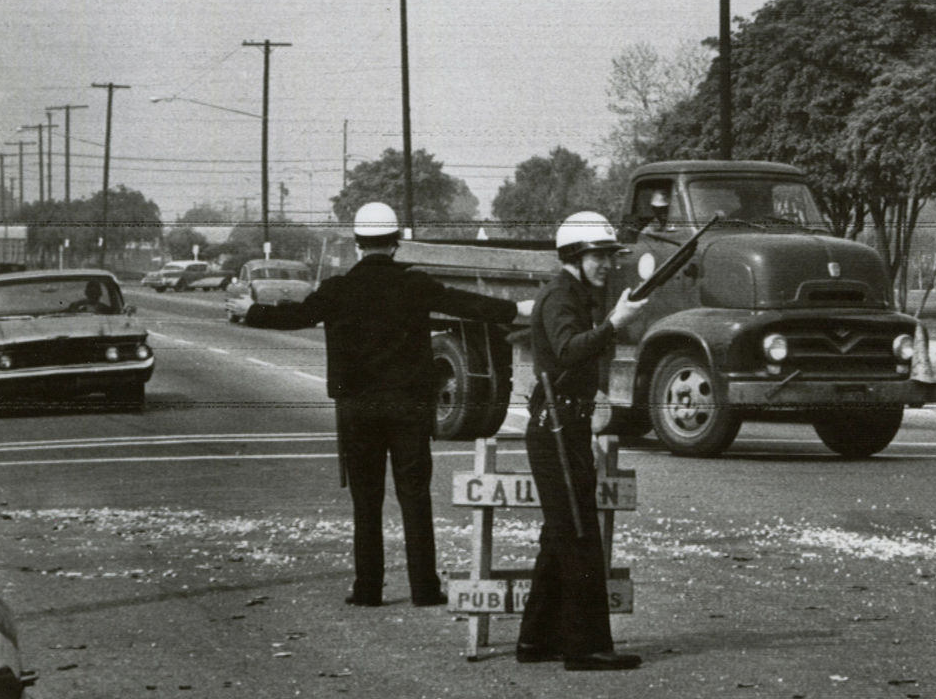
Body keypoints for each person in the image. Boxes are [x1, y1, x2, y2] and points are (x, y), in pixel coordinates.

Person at [246, 202, 525, 608]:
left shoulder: (338, 289)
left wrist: (251, 311)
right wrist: (517, 310)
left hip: (357, 409)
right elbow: (466, 303)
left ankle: (368, 589)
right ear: (395, 244)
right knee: (415, 496)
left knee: (366, 499)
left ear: (358, 245)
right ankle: (425, 588)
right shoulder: (414, 284)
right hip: (409, 406)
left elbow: (297, 316)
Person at [516, 211, 648, 671]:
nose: (608, 264)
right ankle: (585, 647)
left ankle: (535, 640)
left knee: (560, 535)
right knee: (579, 536)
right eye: (600, 255)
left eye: (611, 255)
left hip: (565, 425)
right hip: (555, 429)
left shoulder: (572, 295)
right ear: (575, 254)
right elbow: (570, 349)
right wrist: (615, 324)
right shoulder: (560, 297)